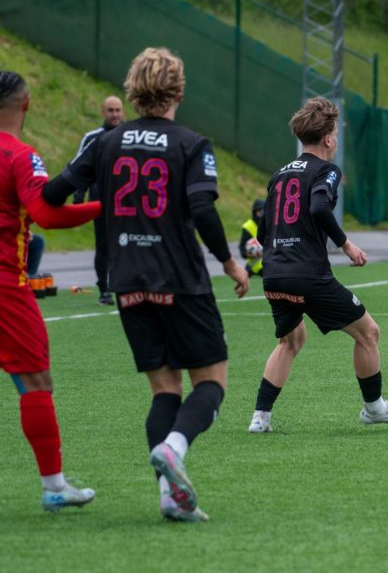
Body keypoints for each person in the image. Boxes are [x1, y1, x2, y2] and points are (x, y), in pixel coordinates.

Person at [42, 48, 250, 523]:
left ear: (132, 91)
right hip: (179, 278)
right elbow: (202, 208)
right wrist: (229, 263)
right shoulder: (191, 144)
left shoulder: (106, 143)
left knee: (164, 391)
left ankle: (169, 496)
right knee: (211, 382)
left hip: (127, 281)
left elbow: (54, 194)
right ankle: (174, 448)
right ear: (179, 91)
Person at [247, 97, 388, 434]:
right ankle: (374, 408)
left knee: (290, 341)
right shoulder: (327, 170)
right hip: (307, 276)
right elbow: (319, 208)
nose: (336, 138)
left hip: (274, 274)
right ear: (328, 139)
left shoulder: (279, 175)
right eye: (335, 133)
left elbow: (264, 233)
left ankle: (260, 418)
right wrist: (346, 244)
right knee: (368, 333)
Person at [0, 70, 101, 512]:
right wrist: (107, 207)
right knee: (36, 381)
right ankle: (54, 486)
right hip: (6, 287)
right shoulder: (20, 155)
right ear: (26, 104)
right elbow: (47, 215)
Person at [72, 96, 125, 305]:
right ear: (103, 112)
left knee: (128, 243)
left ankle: (125, 286)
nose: (114, 114)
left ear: (123, 112)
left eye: (118, 110)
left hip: (127, 203)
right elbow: (78, 167)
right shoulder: (92, 137)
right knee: (103, 245)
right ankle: (104, 289)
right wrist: (78, 196)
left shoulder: (131, 136)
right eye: (110, 110)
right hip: (100, 200)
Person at [239, 198, 265, 277]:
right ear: (255, 212)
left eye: (263, 212)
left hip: (267, 263)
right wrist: (254, 252)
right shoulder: (248, 226)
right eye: (259, 212)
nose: (261, 214)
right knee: (242, 279)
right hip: (253, 264)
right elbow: (242, 250)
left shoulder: (270, 224)